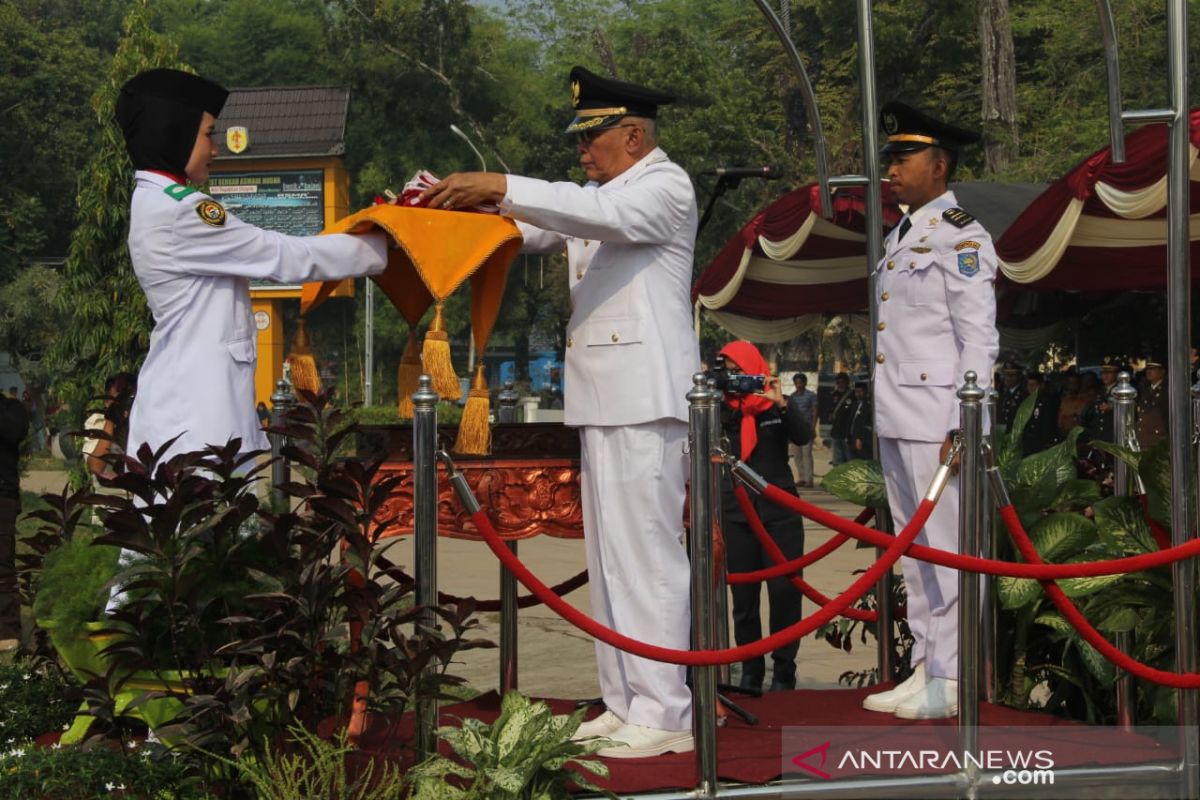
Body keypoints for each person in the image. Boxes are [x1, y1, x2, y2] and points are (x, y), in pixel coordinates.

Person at [419, 66, 697, 758]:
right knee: (610, 562)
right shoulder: (600, 197)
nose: (582, 150)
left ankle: (665, 710)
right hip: (605, 399)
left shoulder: (663, 187)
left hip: (645, 400)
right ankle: (625, 698)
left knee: (648, 560)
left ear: (633, 135)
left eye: (592, 136)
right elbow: (530, 230)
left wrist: (502, 185)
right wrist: (445, 204)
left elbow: (584, 213)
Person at [115, 69, 388, 464]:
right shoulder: (183, 210)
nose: (216, 149)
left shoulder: (158, 202)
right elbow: (285, 257)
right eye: (209, 134)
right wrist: (389, 244)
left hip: (191, 406)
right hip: (194, 417)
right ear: (175, 131)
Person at [862, 101, 999, 720]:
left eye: (903, 157)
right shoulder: (903, 232)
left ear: (939, 165)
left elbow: (979, 337)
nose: (890, 167)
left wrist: (964, 421)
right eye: (890, 157)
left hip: (938, 418)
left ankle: (956, 673)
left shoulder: (961, 233)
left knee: (946, 550)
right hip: (899, 414)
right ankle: (928, 666)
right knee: (914, 555)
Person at [717, 342, 810, 694]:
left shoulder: (771, 405)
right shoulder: (722, 410)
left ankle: (784, 670)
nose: (735, 379)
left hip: (780, 509)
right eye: (728, 371)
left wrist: (782, 403)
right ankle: (751, 669)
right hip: (736, 511)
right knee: (744, 598)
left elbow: (803, 436)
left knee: (785, 593)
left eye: (740, 371)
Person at [0, 390, 29, 651]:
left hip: (2, 496)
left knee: (2, 566)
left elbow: (14, 431)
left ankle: (6, 631)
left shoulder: (11, 410)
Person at [82, 373, 138, 486]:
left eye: (129, 399)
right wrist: (110, 420)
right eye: (120, 398)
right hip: (110, 496)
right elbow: (96, 467)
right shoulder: (97, 422)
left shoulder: (142, 421)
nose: (125, 404)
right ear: (107, 401)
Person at [787, 373, 818, 487]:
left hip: (807, 428)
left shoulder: (811, 396)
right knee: (797, 455)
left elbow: (814, 412)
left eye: (800, 382)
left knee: (807, 455)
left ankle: (809, 479)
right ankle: (802, 478)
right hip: (795, 429)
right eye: (796, 383)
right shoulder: (792, 397)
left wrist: (813, 428)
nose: (798, 385)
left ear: (805, 383)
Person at [1020, 371, 1060, 455]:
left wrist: (1047, 443)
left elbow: (1048, 424)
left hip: (1041, 442)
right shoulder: (1026, 401)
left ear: (1041, 385)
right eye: (1029, 385)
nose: (1031, 388)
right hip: (1028, 443)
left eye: (1034, 385)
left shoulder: (1048, 402)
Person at [1136, 355, 1168, 449]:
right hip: (1144, 439)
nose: (1149, 372)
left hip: (1158, 440)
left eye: (1153, 369)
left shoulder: (1166, 390)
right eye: (1148, 369)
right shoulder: (1145, 389)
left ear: (1162, 371)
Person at [828, 372, 855, 465]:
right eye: (838, 382)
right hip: (836, 430)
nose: (840, 384)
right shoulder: (834, 394)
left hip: (847, 431)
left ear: (847, 382)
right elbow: (830, 410)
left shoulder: (852, 395)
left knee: (849, 457)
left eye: (842, 382)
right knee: (837, 458)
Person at [997, 361, 1027, 430]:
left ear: (1019, 376)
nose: (1008, 378)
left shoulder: (1023, 395)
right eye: (1006, 375)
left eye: (1012, 375)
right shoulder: (1003, 394)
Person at [848, 380, 874, 460]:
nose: (858, 394)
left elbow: (865, 423)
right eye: (856, 392)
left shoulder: (868, 405)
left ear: (865, 392)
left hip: (861, 438)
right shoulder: (855, 404)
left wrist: (860, 438)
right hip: (852, 437)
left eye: (860, 391)